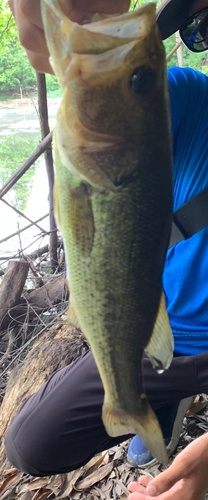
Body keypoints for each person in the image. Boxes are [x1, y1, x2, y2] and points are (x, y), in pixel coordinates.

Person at [4, 0, 208, 499]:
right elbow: (115, 111)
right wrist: (80, 40)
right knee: (30, 445)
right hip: (162, 333)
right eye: (202, 29)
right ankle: (148, 400)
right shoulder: (180, 100)